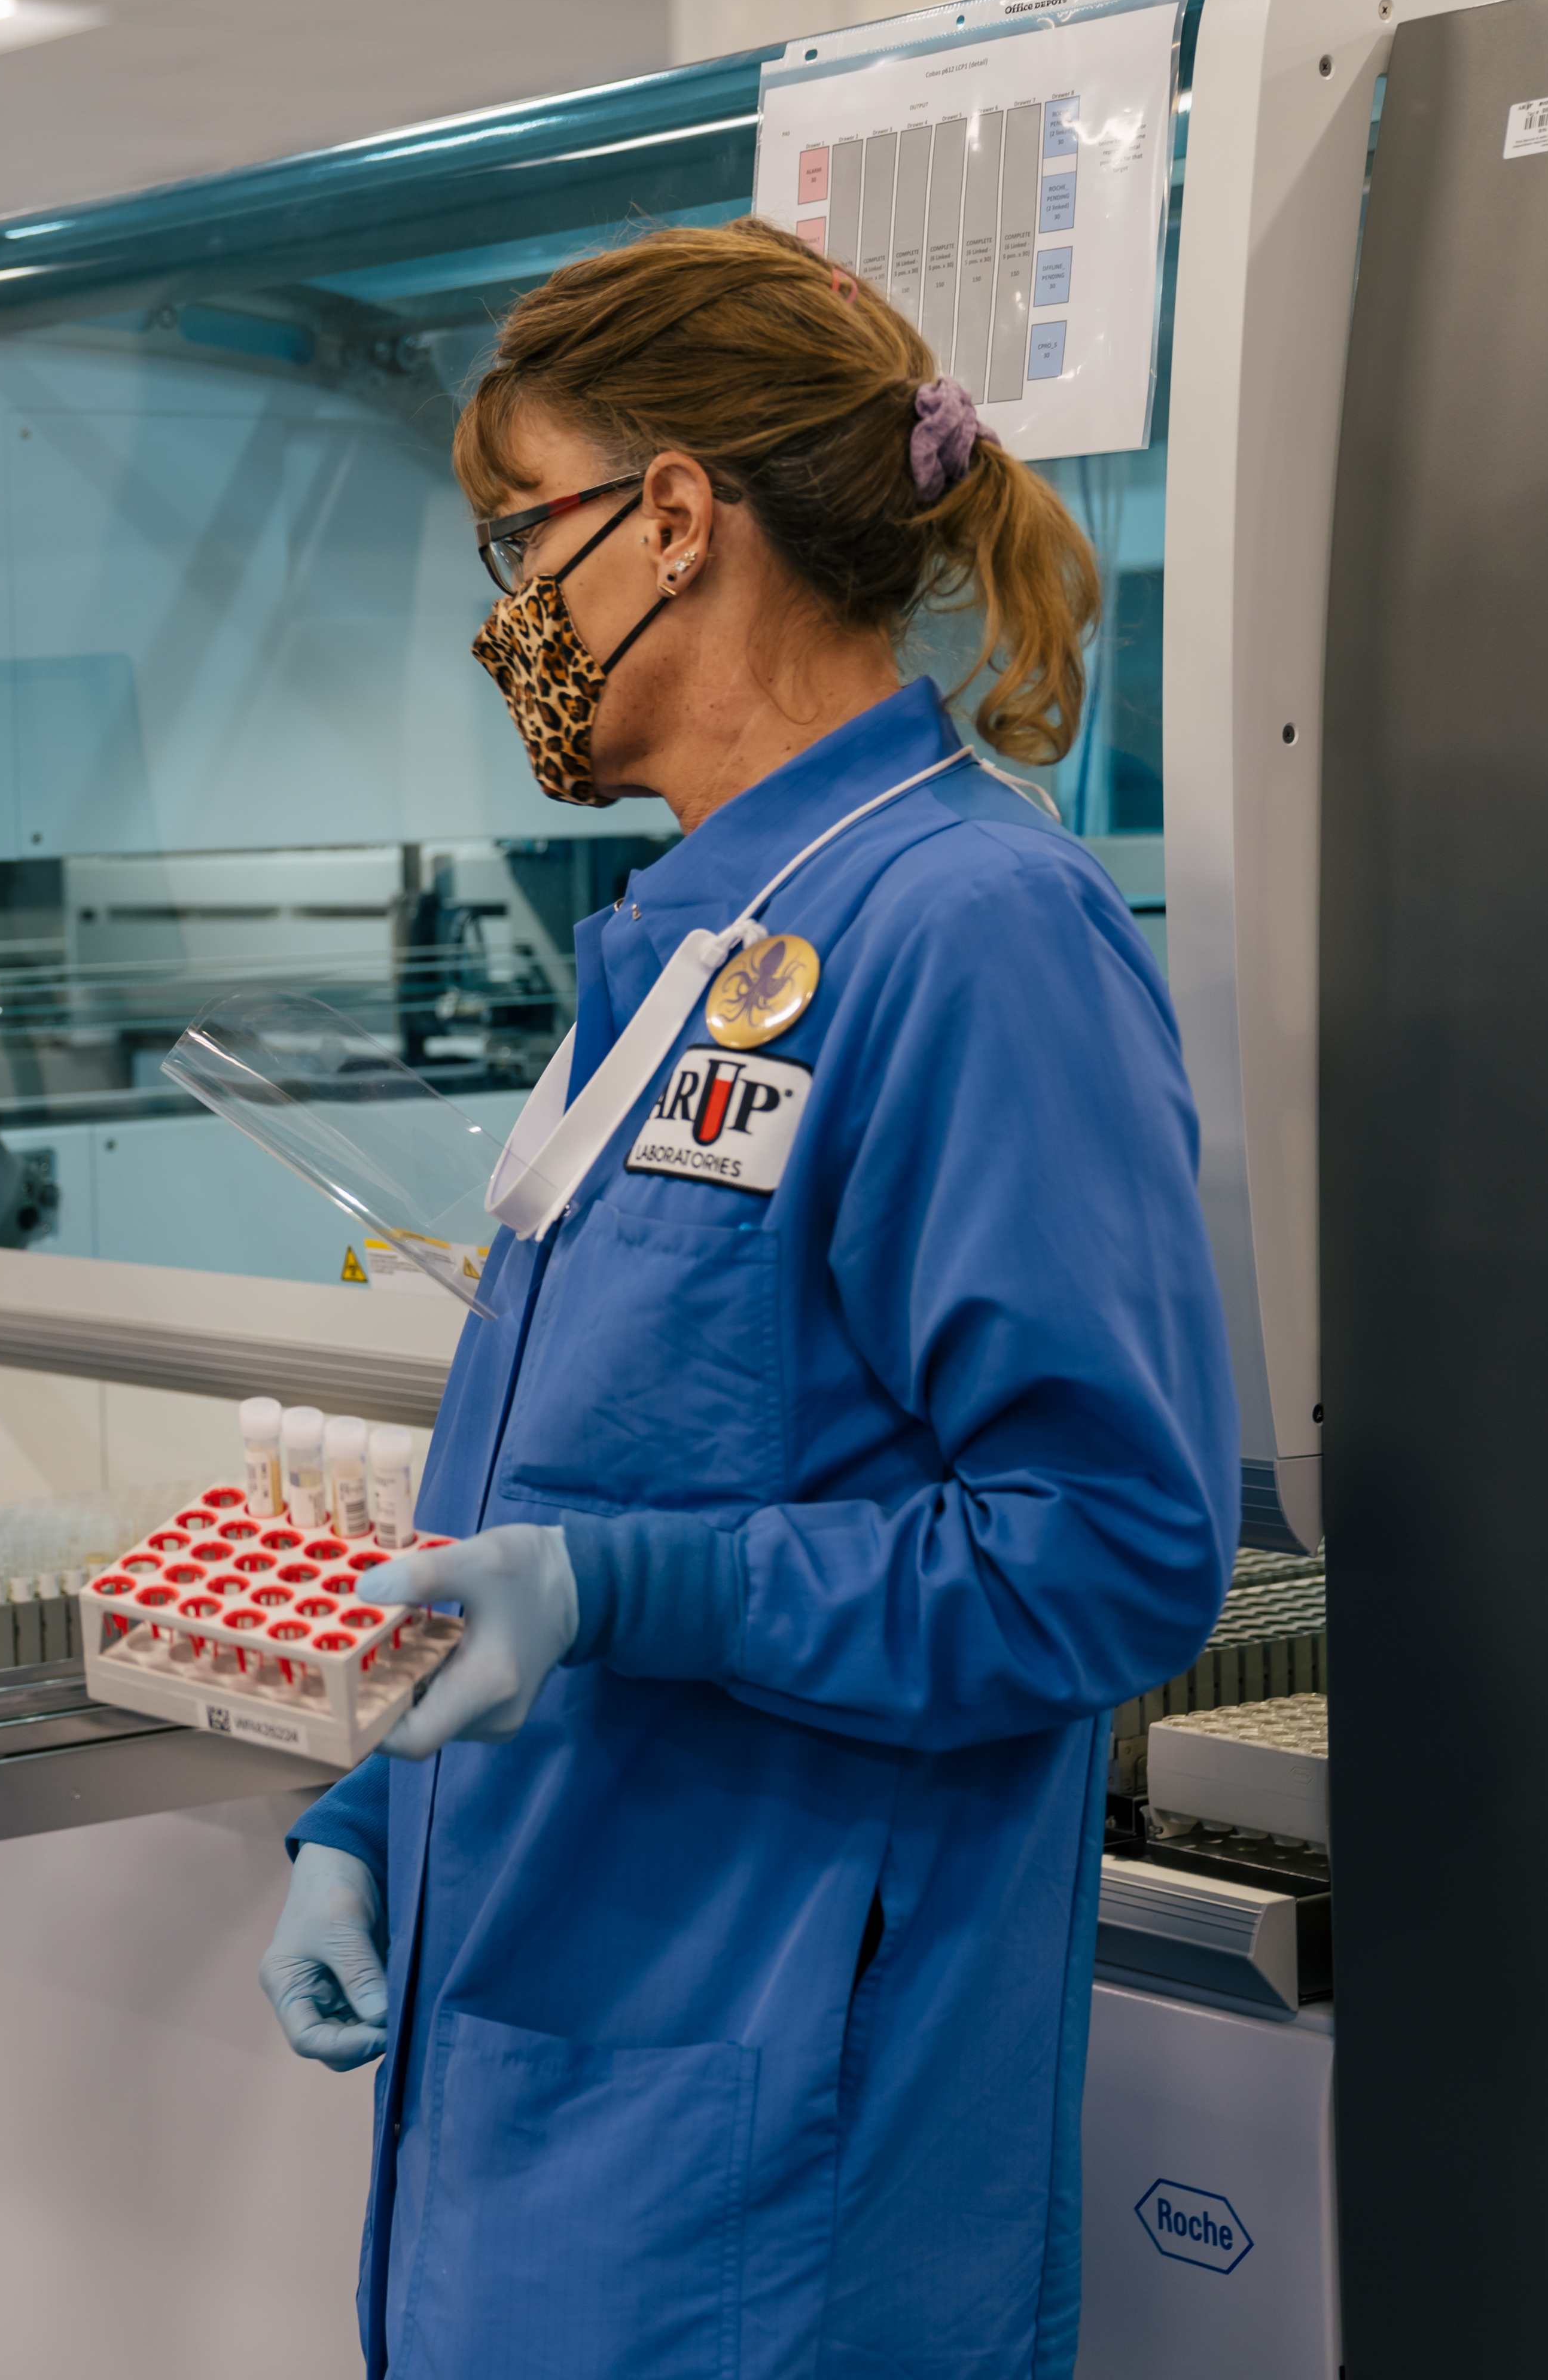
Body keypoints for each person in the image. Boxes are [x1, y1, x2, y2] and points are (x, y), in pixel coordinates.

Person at [256, 221, 1237, 2377]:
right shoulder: (696, 949)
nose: (504, 617)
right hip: (530, 2048)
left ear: (675, 521)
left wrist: (621, 1597)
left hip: (776, 2135)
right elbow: (587, 1451)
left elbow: (1111, 1553)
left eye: (521, 540)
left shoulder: (973, 934)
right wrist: (362, 1822)